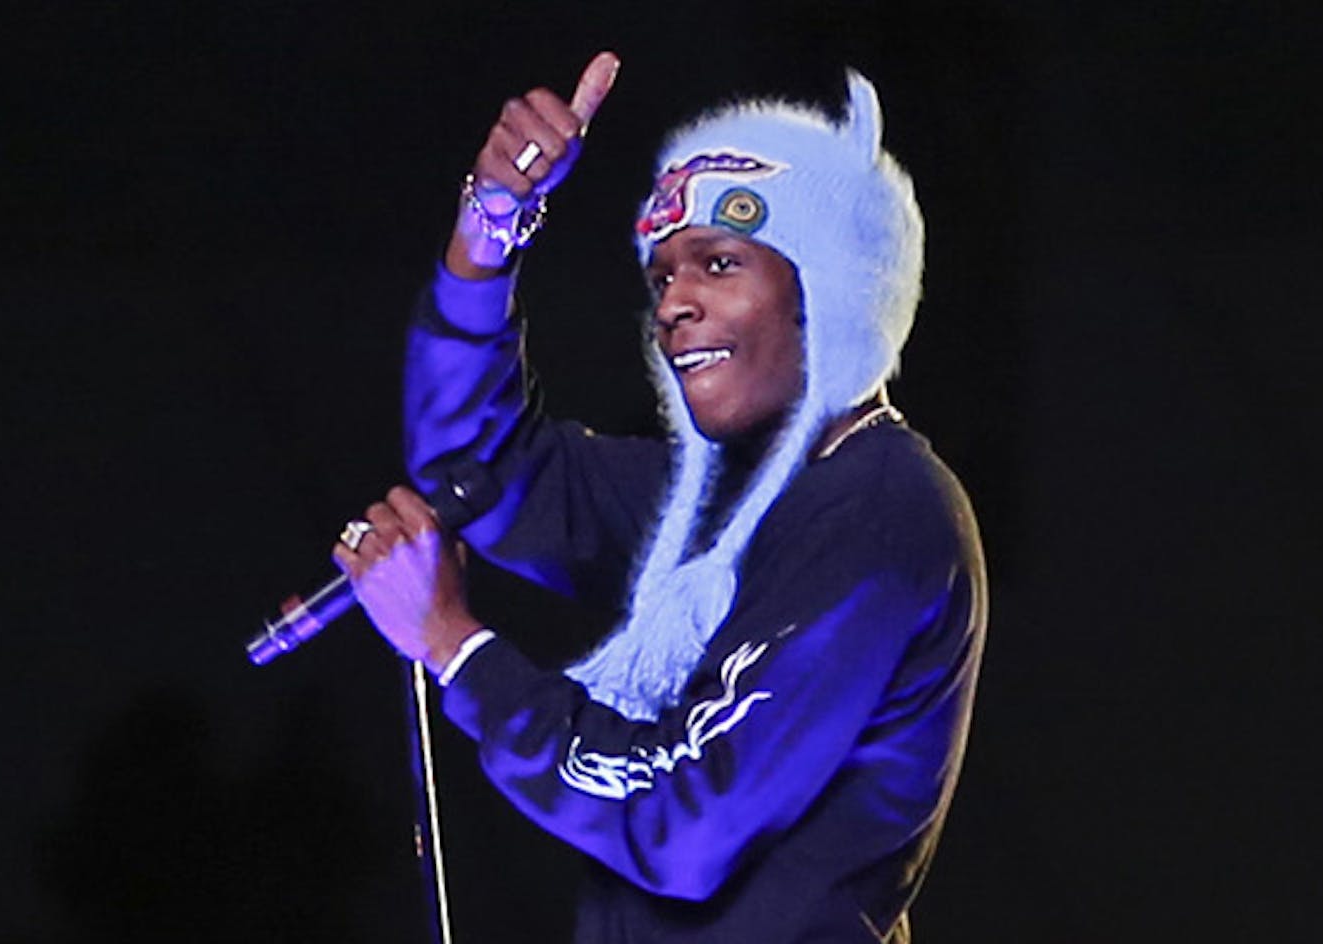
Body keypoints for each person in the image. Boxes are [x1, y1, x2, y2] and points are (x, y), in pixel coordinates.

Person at [333, 52, 987, 943]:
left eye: (717, 263)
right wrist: (490, 225)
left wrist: (455, 647)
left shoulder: (882, 509)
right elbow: (474, 468)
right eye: (663, 276)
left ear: (830, 288)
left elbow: (685, 829)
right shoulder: (715, 505)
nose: (674, 301)